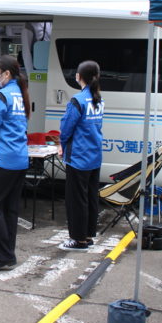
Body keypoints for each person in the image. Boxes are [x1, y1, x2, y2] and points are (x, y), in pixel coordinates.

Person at [0, 55, 30, 271]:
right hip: (20, 158)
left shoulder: (1, 95)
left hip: (4, 158)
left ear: (6, 74)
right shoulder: (20, 94)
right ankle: (6, 251)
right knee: (9, 208)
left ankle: (4, 256)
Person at [58, 60, 104, 251]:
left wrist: (61, 144)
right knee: (90, 197)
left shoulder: (78, 100)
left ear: (79, 77)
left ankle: (78, 239)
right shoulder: (98, 99)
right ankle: (88, 235)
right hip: (94, 155)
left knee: (76, 199)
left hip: (78, 157)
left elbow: (66, 128)